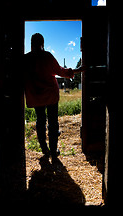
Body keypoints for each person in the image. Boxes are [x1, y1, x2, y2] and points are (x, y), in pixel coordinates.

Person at [23, 33, 85, 161]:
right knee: (52, 122)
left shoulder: (26, 59)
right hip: (51, 95)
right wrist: (77, 70)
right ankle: (53, 149)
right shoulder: (47, 56)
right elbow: (61, 71)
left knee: (40, 121)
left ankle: (44, 149)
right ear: (42, 43)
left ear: (31, 43)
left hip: (36, 96)